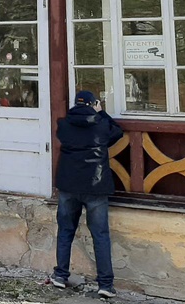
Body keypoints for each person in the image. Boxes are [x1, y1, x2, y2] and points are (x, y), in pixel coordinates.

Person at [51, 90, 124, 299]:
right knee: (100, 235)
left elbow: (66, 134)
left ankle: (60, 275)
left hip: (68, 186)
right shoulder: (101, 125)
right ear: (94, 104)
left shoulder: (63, 124)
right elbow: (117, 132)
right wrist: (102, 113)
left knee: (65, 230)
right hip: (95, 186)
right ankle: (105, 284)